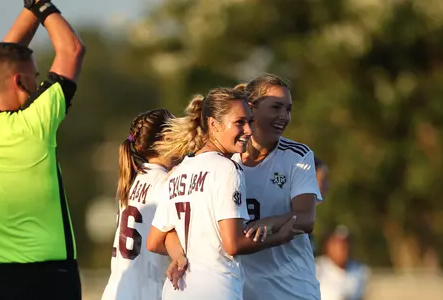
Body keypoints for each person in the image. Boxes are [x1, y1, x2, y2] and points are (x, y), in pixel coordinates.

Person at [0, 1, 85, 299]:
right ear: (18, 81)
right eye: (35, 76)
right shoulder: (34, 124)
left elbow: (2, 55)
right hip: (52, 280)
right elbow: (72, 50)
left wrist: (34, 5)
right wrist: (41, 6)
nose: (38, 82)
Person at [146, 88, 299, 300]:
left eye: (250, 122)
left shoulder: (177, 171)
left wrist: (179, 255)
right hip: (216, 289)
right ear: (213, 124)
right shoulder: (227, 168)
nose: (248, 130)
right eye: (239, 123)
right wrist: (281, 236)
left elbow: (155, 241)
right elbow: (232, 244)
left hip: (176, 291)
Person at [233, 74, 322, 300]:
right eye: (276, 107)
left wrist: (265, 224)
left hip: (292, 291)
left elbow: (305, 218)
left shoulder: (298, 156)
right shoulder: (224, 161)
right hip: (241, 292)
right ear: (251, 108)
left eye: (288, 109)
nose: (284, 116)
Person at [101, 109, 185, 300]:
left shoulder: (132, 180)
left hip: (116, 291)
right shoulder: (166, 183)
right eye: (178, 132)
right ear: (165, 138)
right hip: (145, 292)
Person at [315, 225, 370, 300]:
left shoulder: (361, 271)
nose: (341, 248)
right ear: (328, 246)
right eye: (336, 244)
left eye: (344, 244)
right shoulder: (316, 268)